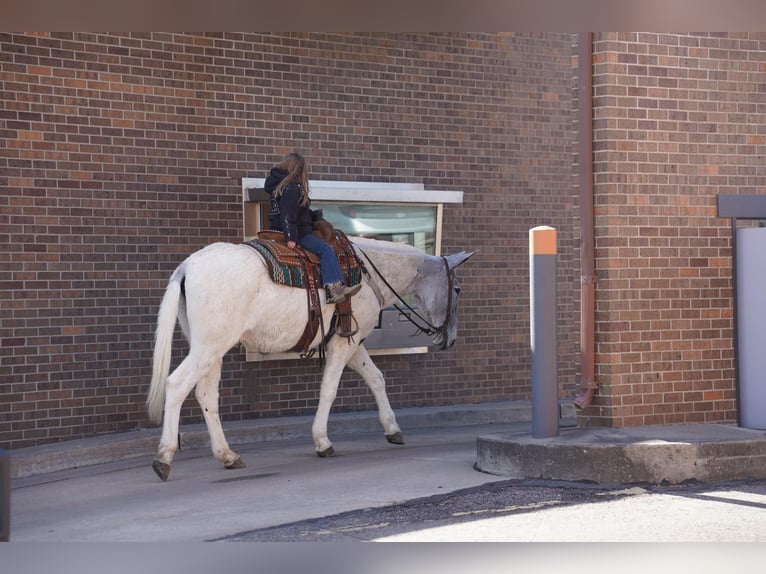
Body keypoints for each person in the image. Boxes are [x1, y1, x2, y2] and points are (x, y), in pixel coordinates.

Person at [264, 152, 361, 304]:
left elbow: (293, 211)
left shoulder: (278, 185)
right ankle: (333, 289)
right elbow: (288, 215)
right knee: (326, 249)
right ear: (299, 170)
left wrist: (314, 216)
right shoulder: (291, 187)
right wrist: (291, 237)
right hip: (299, 232)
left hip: (281, 228)